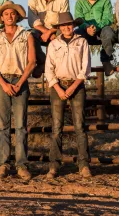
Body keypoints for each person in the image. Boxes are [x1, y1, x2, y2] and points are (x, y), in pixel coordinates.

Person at [0, 1, 36, 181]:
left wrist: (20, 82)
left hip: (20, 79)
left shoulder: (27, 36)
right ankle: (4, 164)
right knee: (3, 125)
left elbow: (31, 62)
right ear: (1, 17)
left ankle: (21, 164)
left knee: (21, 125)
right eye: (6, 14)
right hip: (2, 81)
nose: (9, 16)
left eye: (12, 13)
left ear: (17, 16)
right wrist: (3, 83)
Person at [44, 12, 91, 179]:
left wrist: (73, 86)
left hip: (76, 85)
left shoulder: (82, 42)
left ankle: (84, 164)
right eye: (63, 25)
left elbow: (85, 67)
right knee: (57, 128)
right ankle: (54, 165)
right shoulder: (53, 44)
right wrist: (58, 88)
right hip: (58, 85)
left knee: (80, 126)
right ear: (59, 28)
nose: (66, 27)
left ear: (73, 25)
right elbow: (49, 68)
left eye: (69, 24)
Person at [28, 0, 70, 77]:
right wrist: (47, 32)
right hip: (40, 30)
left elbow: (64, 21)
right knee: (30, 36)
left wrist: (51, 31)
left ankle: (60, 67)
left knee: (64, 36)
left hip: (57, 30)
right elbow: (33, 21)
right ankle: (43, 62)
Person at [73, 0, 116, 75]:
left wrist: (96, 27)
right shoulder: (79, 4)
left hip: (101, 29)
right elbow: (79, 19)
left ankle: (106, 59)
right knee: (75, 35)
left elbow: (108, 19)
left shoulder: (105, 1)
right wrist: (87, 27)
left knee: (109, 33)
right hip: (85, 30)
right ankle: (78, 63)